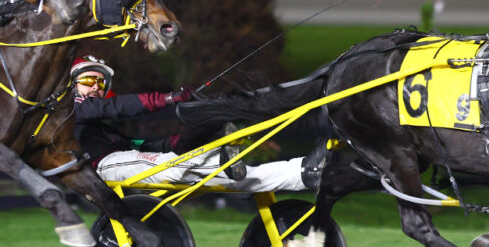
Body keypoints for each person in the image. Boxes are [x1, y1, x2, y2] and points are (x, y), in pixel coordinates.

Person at [71, 55, 320, 192]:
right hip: (106, 167)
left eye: (101, 82)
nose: (96, 86)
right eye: (89, 80)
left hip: (133, 160)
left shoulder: (103, 126)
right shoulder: (70, 110)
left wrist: (176, 141)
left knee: (239, 179)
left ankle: (303, 173)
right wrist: (166, 98)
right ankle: (218, 149)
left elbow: (139, 143)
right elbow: (115, 107)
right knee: (170, 164)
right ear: (72, 85)